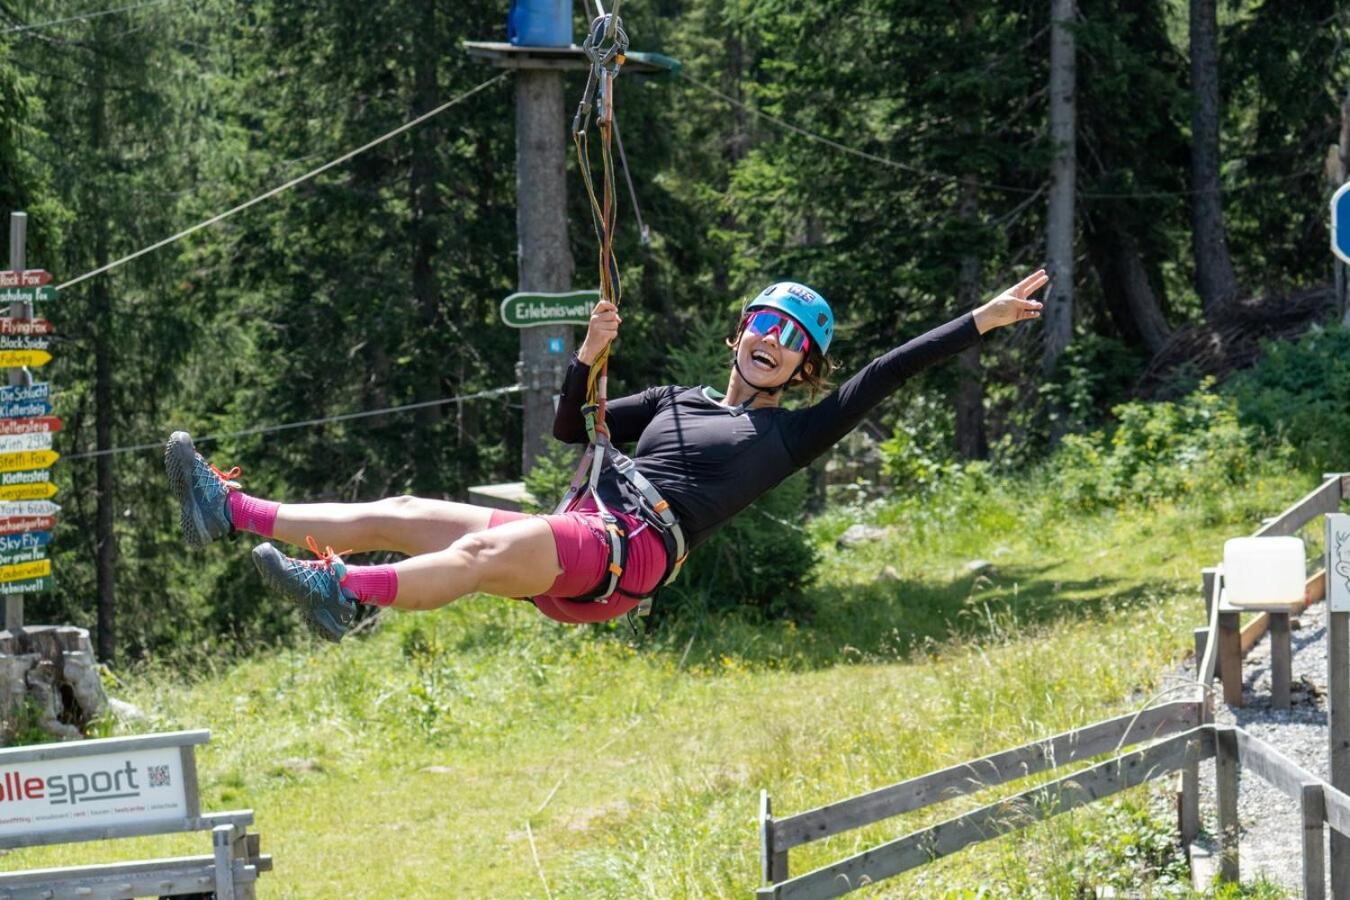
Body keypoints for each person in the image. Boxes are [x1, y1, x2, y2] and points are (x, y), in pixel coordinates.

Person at [165, 270, 1047, 641]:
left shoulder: (788, 436)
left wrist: (982, 319)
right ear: (741, 331)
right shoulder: (672, 400)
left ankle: (346, 596)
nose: (772, 342)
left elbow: (887, 373)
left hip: (628, 551)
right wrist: (588, 354)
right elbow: (570, 428)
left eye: (793, 341)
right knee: (401, 511)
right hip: (584, 529)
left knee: (474, 556)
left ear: (805, 369)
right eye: (765, 323)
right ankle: (227, 509)